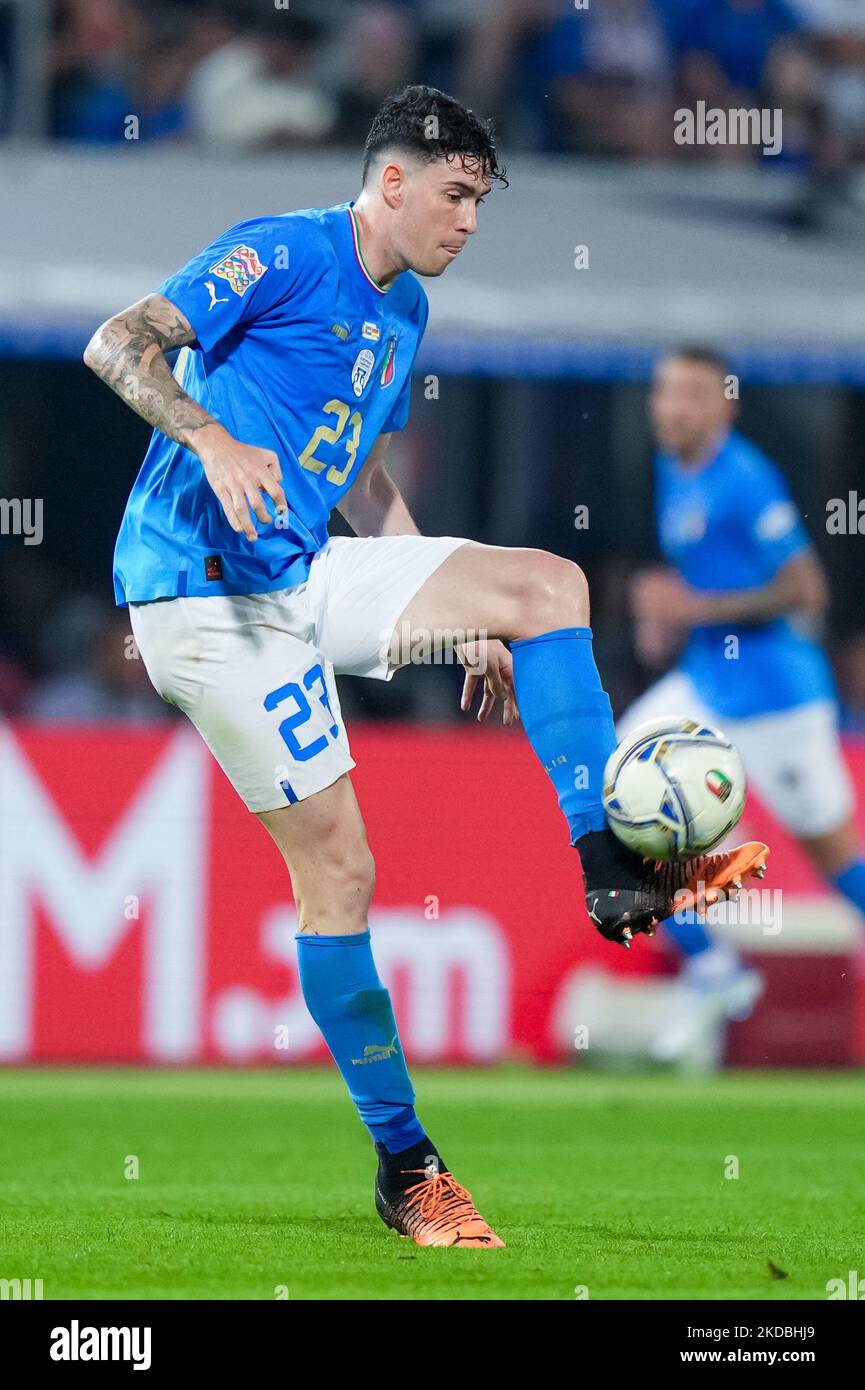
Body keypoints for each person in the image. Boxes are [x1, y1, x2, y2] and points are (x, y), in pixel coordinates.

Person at [84, 87, 760, 1248]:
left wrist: (450, 617)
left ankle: (616, 864)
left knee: (547, 588)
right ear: (391, 183)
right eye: (455, 195)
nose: (469, 222)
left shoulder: (403, 320)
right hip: (199, 600)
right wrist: (209, 434)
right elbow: (118, 342)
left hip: (301, 572)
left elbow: (359, 475)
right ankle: (409, 1168)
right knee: (342, 874)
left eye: (481, 202)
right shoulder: (282, 252)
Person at [622, 346, 865, 1061]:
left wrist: (691, 607)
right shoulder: (672, 467)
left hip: (776, 700)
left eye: (690, 394)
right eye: (663, 391)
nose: (671, 407)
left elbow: (805, 591)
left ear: (723, 405)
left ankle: (712, 883)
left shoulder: (744, 479)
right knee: (623, 791)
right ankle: (711, 965)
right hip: (708, 685)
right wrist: (665, 612)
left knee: (834, 855)